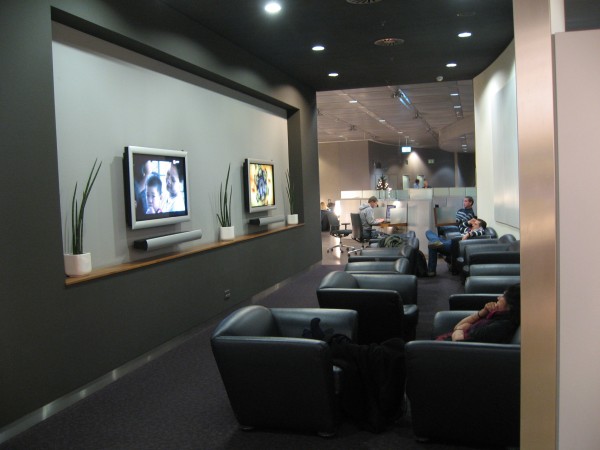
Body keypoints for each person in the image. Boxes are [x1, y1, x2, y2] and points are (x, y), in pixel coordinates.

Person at [437, 283, 520, 343]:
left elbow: (460, 343)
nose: (498, 298)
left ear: (511, 304)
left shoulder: (500, 326)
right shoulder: (498, 315)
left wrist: (460, 329)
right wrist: (483, 312)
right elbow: (458, 326)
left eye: (503, 296)